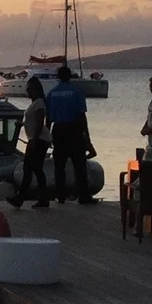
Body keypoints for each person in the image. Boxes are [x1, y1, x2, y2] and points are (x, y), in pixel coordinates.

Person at [44, 65, 97, 204]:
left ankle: (60, 195)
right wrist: (87, 137)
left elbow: (48, 118)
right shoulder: (76, 93)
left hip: (58, 130)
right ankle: (84, 196)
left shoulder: (51, 94)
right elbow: (81, 116)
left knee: (59, 166)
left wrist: (46, 136)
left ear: (58, 77)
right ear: (70, 76)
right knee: (79, 164)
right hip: (73, 130)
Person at [7, 75, 51, 209]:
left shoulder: (39, 103)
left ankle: (28, 197)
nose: (27, 91)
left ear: (36, 90)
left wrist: (34, 140)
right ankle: (25, 197)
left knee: (34, 169)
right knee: (32, 169)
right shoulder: (34, 103)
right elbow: (32, 122)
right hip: (35, 139)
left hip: (39, 140)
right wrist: (23, 124)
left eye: (30, 89)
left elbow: (39, 123)